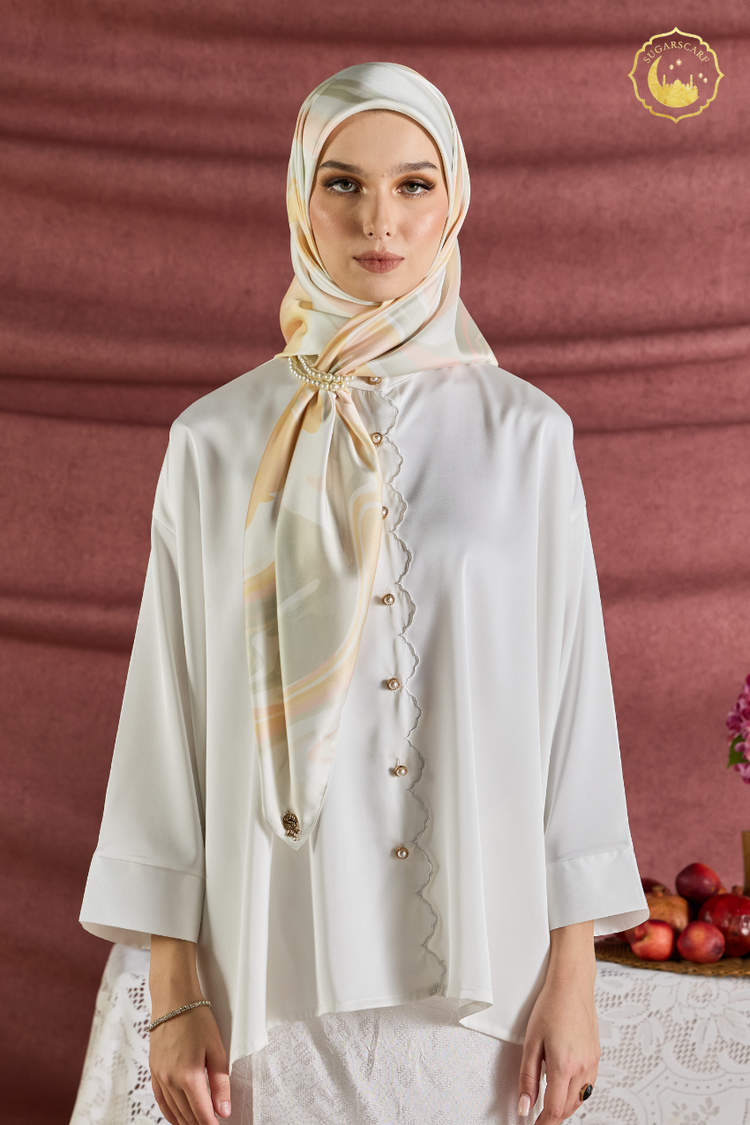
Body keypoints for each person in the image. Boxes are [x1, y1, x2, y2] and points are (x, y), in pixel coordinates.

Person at [79, 62, 648, 1125]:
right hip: (266, 973)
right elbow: (168, 713)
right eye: (343, 183)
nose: (379, 220)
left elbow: (573, 709)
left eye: (413, 185)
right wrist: (174, 990)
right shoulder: (215, 441)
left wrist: (575, 976)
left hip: (486, 986)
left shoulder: (528, 437)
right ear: (302, 199)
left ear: (453, 201)